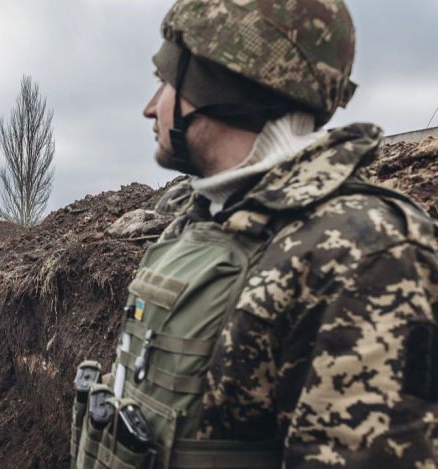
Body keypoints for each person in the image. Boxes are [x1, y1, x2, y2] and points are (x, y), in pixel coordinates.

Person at [71, 1, 438, 468]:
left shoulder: (362, 252)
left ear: (221, 84)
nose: (150, 108)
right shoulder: (202, 218)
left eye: (165, 80)